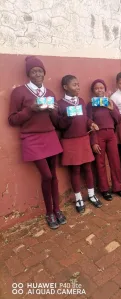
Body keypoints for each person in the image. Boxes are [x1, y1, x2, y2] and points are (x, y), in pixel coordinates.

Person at [8, 56, 66, 230]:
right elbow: (12, 120)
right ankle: (49, 212)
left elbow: (54, 121)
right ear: (28, 74)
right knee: (46, 176)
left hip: (49, 136)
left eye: (40, 71)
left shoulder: (49, 94)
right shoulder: (19, 92)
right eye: (34, 71)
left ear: (44, 73)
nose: (37, 74)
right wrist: (29, 109)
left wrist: (55, 111)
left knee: (54, 175)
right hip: (32, 138)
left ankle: (57, 209)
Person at [57, 75, 102, 214]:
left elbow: (86, 118)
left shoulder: (81, 101)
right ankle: (78, 198)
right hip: (70, 141)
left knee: (88, 168)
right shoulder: (61, 104)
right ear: (65, 87)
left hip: (83, 139)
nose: (78, 87)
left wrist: (91, 123)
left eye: (78, 84)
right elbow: (59, 125)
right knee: (75, 171)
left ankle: (91, 194)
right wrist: (68, 118)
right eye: (74, 85)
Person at [87, 79, 121, 201]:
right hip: (98, 135)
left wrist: (111, 108)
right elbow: (89, 122)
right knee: (100, 163)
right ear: (93, 91)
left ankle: (117, 187)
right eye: (96, 88)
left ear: (105, 89)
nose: (99, 90)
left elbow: (119, 119)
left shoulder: (110, 102)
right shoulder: (90, 105)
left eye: (101, 88)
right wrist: (93, 141)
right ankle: (104, 189)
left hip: (111, 135)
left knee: (115, 161)